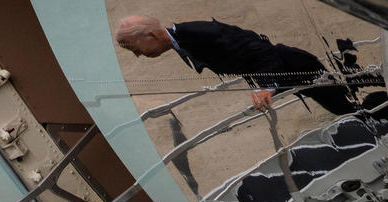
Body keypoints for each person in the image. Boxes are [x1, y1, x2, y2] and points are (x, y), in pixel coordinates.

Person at [115, 16, 361, 114]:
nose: (138, 55)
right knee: (346, 108)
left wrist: (267, 86)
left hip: (297, 69)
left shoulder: (197, 33)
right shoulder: (182, 40)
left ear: (150, 36)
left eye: (136, 48)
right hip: (292, 74)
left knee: (353, 106)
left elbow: (260, 49)